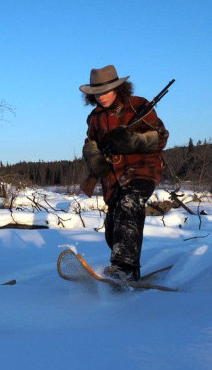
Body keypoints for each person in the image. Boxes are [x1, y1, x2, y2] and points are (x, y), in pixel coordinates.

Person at [79, 65, 169, 281]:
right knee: (113, 228)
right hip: (113, 178)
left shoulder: (138, 105)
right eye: (97, 93)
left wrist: (135, 141)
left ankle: (125, 269)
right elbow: (91, 143)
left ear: (118, 88)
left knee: (130, 203)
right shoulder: (94, 118)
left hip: (142, 170)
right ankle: (128, 269)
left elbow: (161, 136)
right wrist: (94, 158)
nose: (102, 97)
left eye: (106, 91)